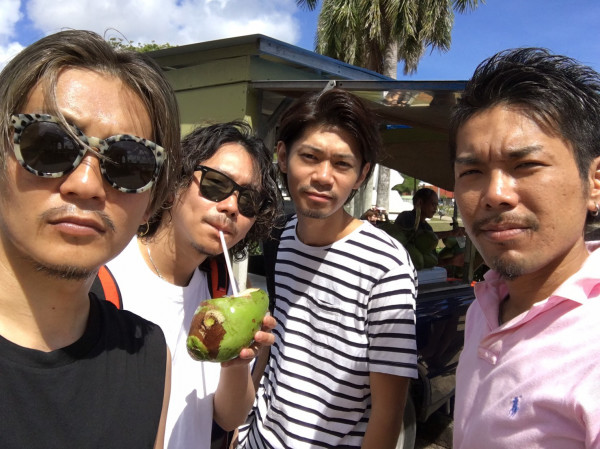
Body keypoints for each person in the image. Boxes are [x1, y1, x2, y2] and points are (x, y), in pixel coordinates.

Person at [0, 30, 182, 448]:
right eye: (50, 144)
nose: (86, 184)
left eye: (129, 162)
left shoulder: (149, 357)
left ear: (151, 201)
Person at [238, 88, 418, 449]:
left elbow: (388, 412)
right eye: (310, 156)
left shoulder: (387, 265)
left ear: (362, 175)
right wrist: (241, 426)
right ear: (283, 156)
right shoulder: (279, 237)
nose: (323, 176)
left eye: (342, 164)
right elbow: (278, 344)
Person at [450, 48, 600, 448]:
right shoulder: (483, 308)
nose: (495, 194)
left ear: (594, 182)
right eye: (472, 171)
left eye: (526, 166)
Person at [105, 121, 281, 449]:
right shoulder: (106, 277)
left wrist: (236, 364)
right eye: (216, 184)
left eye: (248, 201)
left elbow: (229, 419)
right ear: (175, 182)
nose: (231, 207)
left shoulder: (220, 290)